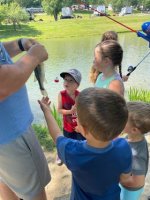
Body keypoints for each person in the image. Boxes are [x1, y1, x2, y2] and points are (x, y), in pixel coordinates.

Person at [39, 88, 132, 200]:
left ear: (82, 129)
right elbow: (124, 178)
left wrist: (47, 111)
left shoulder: (73, 151)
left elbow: (56, 135)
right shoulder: (123, 147)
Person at [0, 39, 50, 200]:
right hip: (12, 135)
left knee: (6, 185)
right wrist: (34, 57)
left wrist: (20, 44)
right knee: (34, 194)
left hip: (5, 138)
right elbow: (2, 85)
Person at [120, 101, 150, 200]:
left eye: (123, 119)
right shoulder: (133, 137)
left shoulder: (136, 154)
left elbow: (138, 182)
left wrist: (120, 178)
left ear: (134, 130)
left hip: (130, 191)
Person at [56, 69, 85, 165]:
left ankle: (77, 157)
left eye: (70, 80)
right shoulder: (61, 94)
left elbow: (82, 113)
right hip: (67, 126)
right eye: (65, 79)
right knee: (66, 142)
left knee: (80, 143)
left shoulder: (80, 96)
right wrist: (70, 111)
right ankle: (60, 154)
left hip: (78, 126)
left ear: (77, 84)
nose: (66, 82)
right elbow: (59, 110)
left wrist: (80, 126)